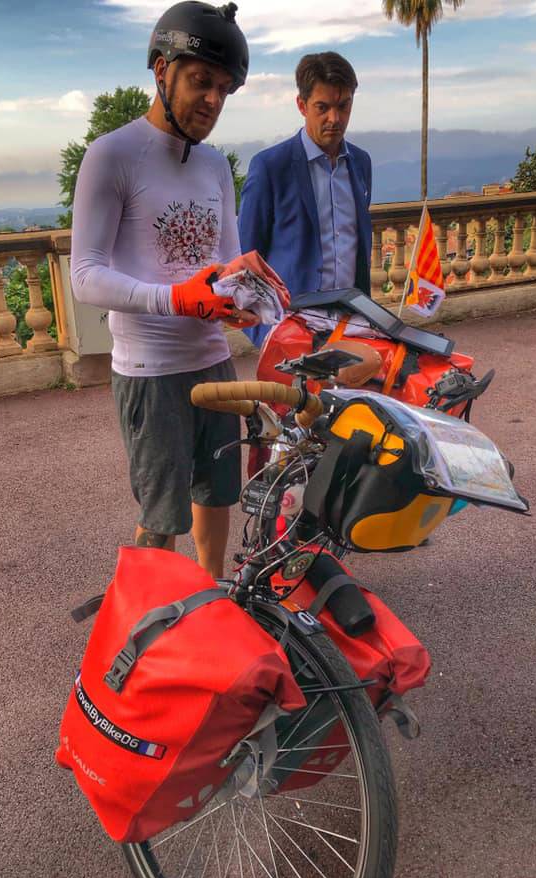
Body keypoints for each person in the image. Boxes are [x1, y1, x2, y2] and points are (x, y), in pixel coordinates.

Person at [70, 2, 255, 578]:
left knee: (218, 493)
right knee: (161, 513)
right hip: (150, 372)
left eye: (224, 89)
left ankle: (212, 599)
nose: (213, 101)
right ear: (160, 69)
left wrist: (245, 297)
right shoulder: (112, 155)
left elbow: (224, 263)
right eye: (202, 82)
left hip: (215, 361)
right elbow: (85, 274)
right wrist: (174, 299)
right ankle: (154, 626)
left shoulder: (215, 166)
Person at [238, 51, 373, 346]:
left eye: (343, 106)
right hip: (291, 334)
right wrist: (267, 336)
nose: (334, 119)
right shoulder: (270, 167)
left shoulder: (361, 164)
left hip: (352, 327)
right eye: (322, 107)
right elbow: (245, 262)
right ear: (302, 105)